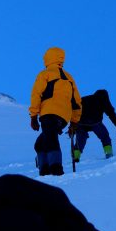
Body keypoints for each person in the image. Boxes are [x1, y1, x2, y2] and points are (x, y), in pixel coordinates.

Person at [29, 47, 82, 176]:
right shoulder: (69, 78)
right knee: (40, 143)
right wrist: (74, 121)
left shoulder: (45, 74)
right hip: (63, 117)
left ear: (47, 58)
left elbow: (36, 94)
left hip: (48, 113)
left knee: (50, 138)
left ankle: (56, 168)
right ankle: (44, 169)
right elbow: (77, 102)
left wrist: (33, 116)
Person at [74, 89, 116, 163]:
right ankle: (108, 154)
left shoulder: (84, 99)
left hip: (81, 123)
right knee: (105, 136)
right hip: (95, 123)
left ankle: (75, 158)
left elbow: (74, 111)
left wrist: (72, 125)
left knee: (80, 141)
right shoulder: (104, 100)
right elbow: (111, 114)